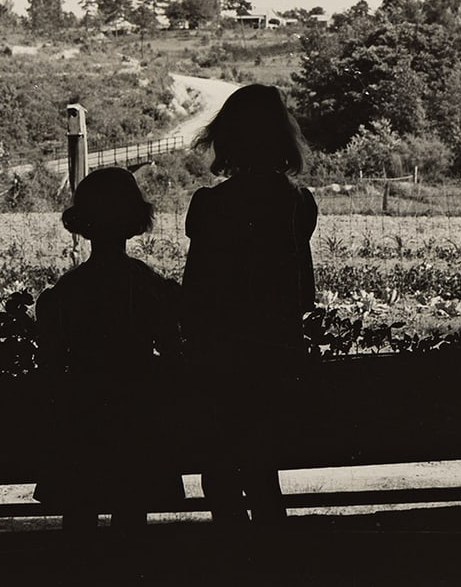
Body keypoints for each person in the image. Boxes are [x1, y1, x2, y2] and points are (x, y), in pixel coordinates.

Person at [181, 83, 318, 526]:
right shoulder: (299, 205)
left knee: (219, 473)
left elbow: (195, 294)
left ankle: (234, 557)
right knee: (263, 473)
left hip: (221, 364)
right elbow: (304, 295)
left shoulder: (210, 206)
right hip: (278, 362)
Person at [34, 167, 184, 532]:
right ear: (134, 220)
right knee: (131, 514)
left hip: (82, 414)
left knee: (79, 514)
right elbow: (172, 351)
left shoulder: (66, 292)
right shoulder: (147, 286)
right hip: (136, 415)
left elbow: (51, 363)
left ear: (83, 223)